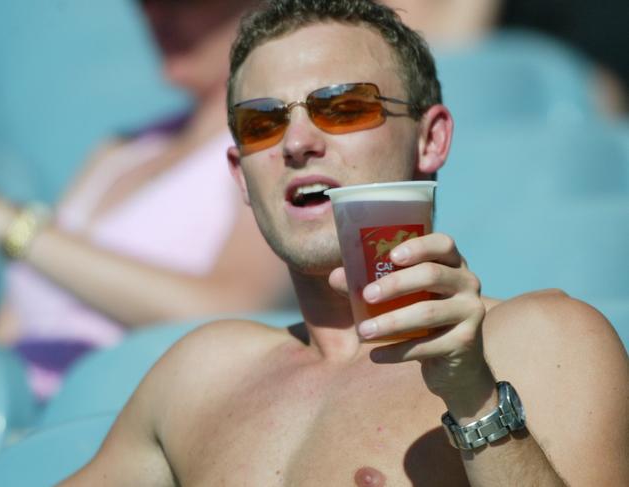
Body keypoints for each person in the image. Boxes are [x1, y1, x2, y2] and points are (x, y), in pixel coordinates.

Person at [59, 1, 628, 485]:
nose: (297, 142)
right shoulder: (195, 378)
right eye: (262, 124)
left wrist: (474, 397)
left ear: (431, 139)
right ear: (239, 176)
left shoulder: (544, 340)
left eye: (343, 107)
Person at [0, 0, 291, 401]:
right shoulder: (121, 148)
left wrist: (10, 226)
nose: (155, 17)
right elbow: (13, 322)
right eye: (146, 5)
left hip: (113, 422)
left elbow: (235, 308)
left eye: (178, 6)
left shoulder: (275, 146)